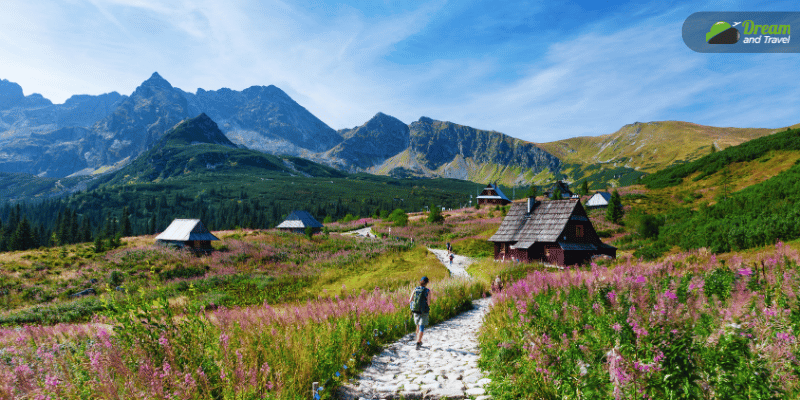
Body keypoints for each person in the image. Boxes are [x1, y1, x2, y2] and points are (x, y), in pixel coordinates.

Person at [409, 276, 431, 349]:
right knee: (422, 327)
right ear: (427, 283)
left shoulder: (415, 289)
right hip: (424, 311)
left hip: (416, 310)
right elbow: (428, 303)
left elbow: (410, 300)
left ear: (420, 281)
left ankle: (418, 340)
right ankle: (418, 342)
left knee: (417, 325)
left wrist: (413, 306)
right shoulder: (427, 291)